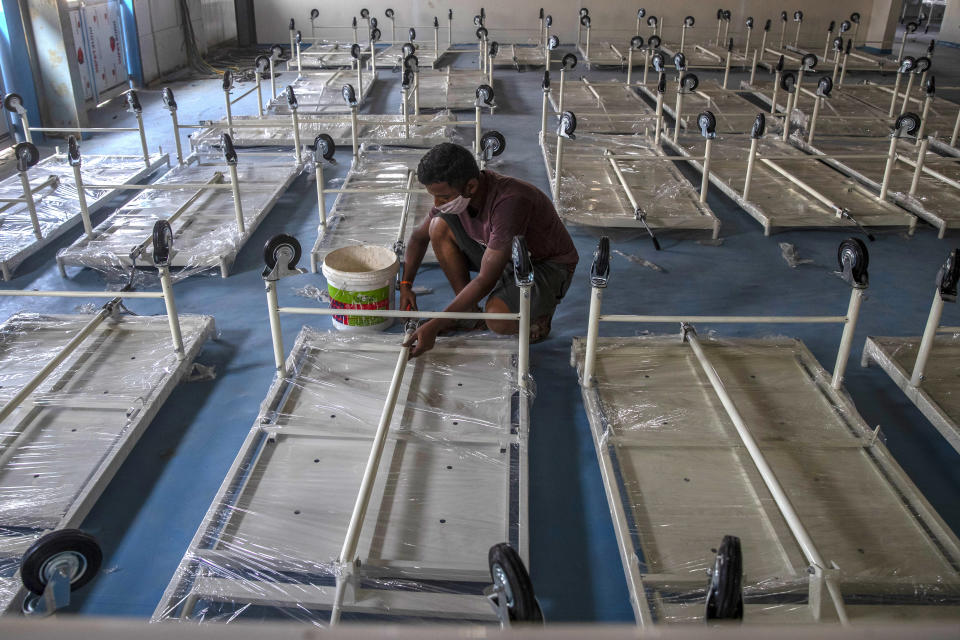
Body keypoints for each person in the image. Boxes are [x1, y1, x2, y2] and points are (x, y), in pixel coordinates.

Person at [400, 142, 578, 357]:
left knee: (498, 319)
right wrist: (406, 285)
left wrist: (436, 324)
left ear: (471, 187)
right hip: (504, 253)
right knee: (438, 226)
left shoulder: (510, 202)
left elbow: (485, 279)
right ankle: (468, 313)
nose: (437, 203)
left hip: (545, 264)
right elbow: (418, 238)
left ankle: (538, 317)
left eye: (444, 197)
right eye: (434, 196)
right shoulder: (460, 196)